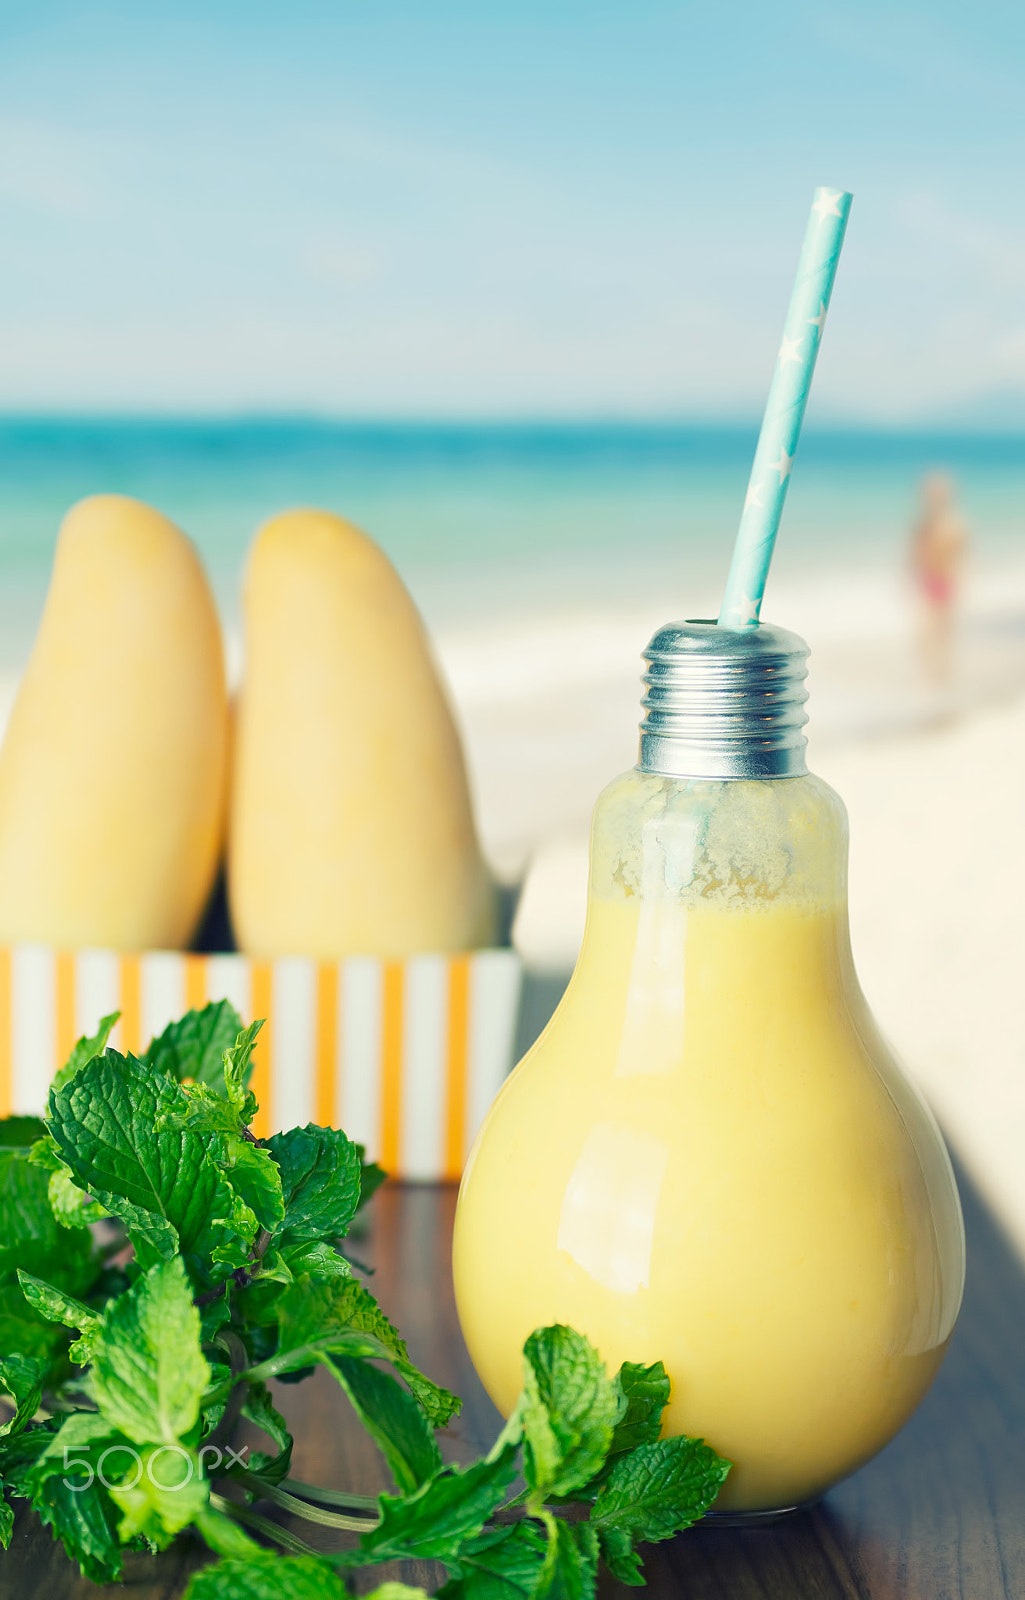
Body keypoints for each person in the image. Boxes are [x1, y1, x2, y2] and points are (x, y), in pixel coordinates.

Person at [910, 472, 968, 688]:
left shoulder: (953, 524)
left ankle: (943, 677)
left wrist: (960, 580)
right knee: (925, 635)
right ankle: (930, 677)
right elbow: (915, 554)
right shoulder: (923, 524)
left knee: (944, 634)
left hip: (946, 582)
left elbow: (961, 554)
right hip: (929, 582)